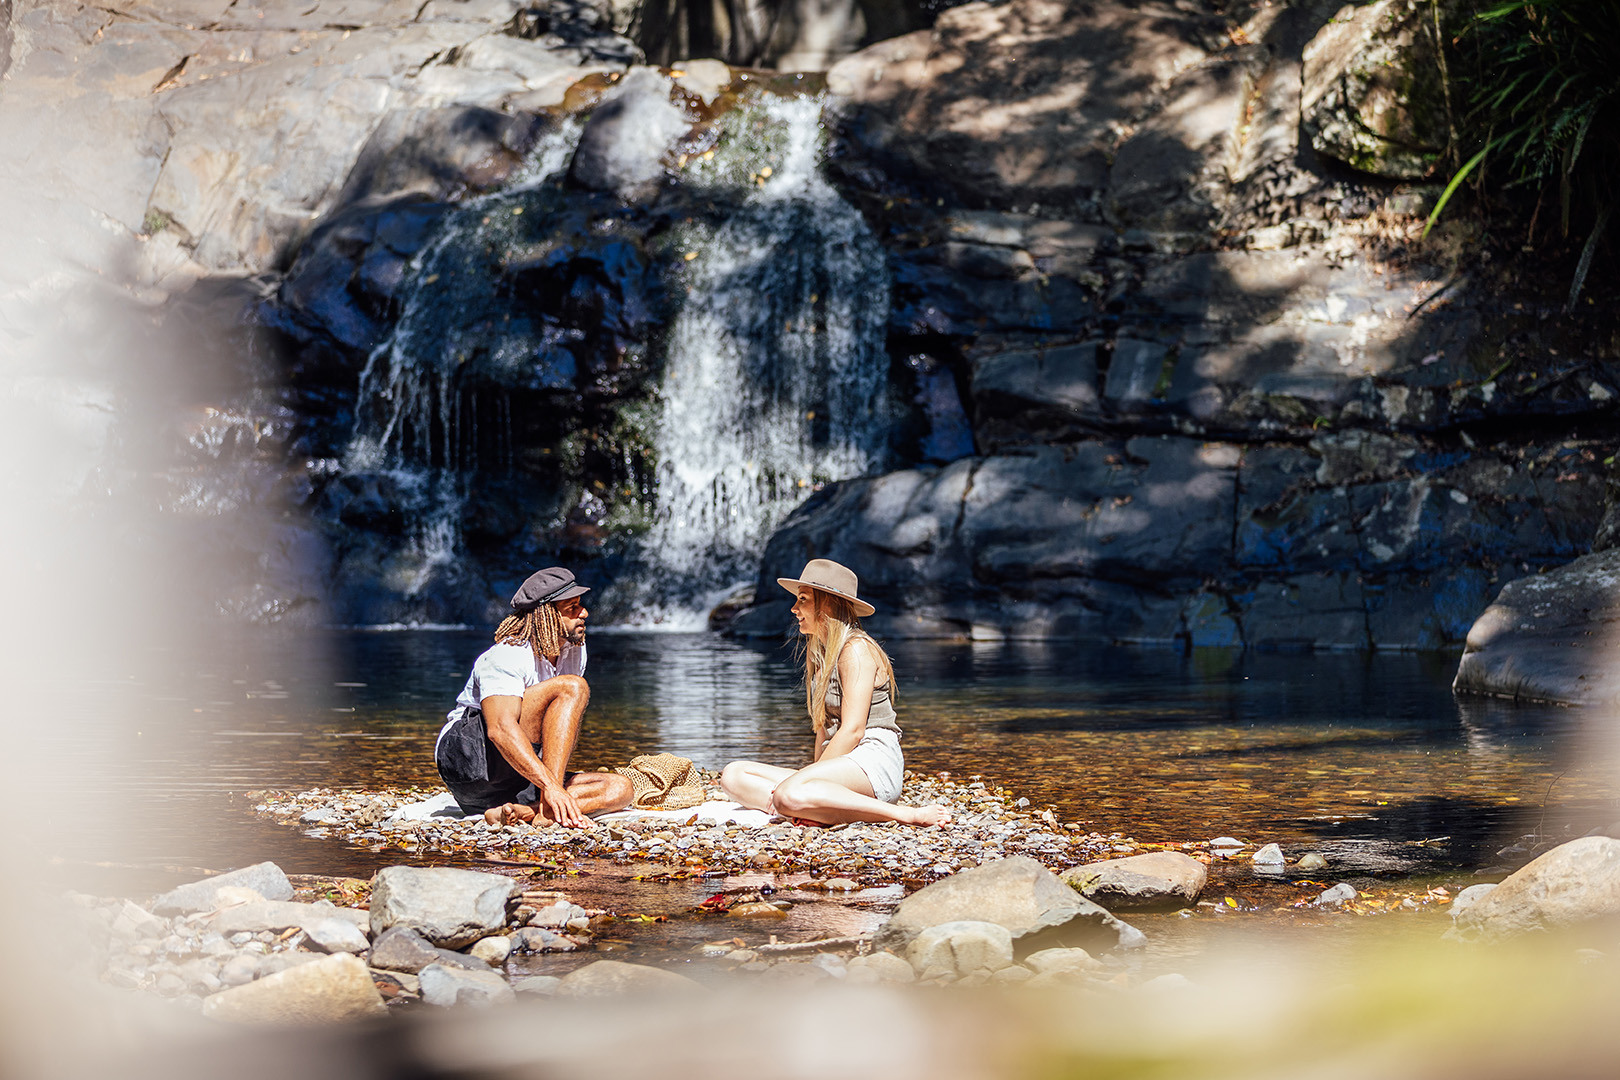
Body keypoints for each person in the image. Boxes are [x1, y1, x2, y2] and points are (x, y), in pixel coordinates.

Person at [719, 559, 951, 827]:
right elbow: (823, 730)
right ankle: (809, 806)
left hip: (870, 759)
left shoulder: (856, 650)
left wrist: (806, 780)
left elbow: (853, 730)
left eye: (803, 599)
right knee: (733, 775)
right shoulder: (821, 656)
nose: (794, 608)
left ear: (827, 604)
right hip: (840, 763)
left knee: (788, 793)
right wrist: (814, 779)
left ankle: (905, 814)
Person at [434, 567, 633, 827]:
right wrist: (551, 785)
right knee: (572, 687)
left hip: (517, 776)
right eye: (571, 608)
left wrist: (549, 785)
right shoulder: (507, 654)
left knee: (620, 789)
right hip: (470, 765)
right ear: (546, 614)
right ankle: (549, 801)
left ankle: (530, 812)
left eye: (580, 605)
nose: (584, 613)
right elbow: (500, 730)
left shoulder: (574, 650)